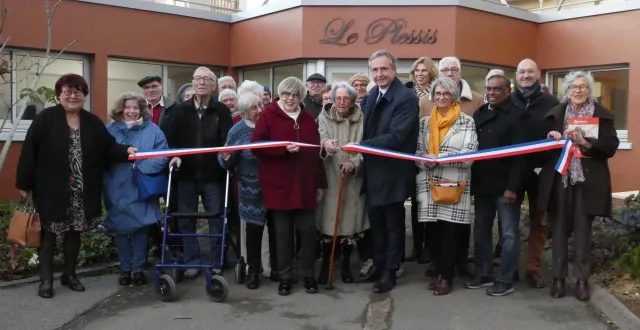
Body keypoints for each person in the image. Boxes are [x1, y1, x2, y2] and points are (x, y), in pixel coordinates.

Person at [16, 74, 136, 299]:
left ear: (84, 95)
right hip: (51, 189)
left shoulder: (92, 121)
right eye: (68, 91)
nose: (73, 96)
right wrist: (24, 183)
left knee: (74, 233)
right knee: (49, 235)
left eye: (78, 92)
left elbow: (108, 147)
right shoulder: (45, 118)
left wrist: (126, 150)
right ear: (59, 94)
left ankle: (69, 275)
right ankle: (46, 279)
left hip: (82, 189)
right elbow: (28, 152)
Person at [541, 71, 619, 302]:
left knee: (583, 234)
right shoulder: (555, 114)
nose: (578, 90)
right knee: (559, 232)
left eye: (583, 86)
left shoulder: (602, 116)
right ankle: (558, 278)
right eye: (573, 86)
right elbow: (542, 148)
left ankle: (582, 281)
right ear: (567, 90)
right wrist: (551, 139)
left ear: (589, 90)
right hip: (560, 181)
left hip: (587, 183)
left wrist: (585, 142)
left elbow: (611, 146)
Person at [250, 76, 327, 296]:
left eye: (295, 95)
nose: (290, 99)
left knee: (307, 233)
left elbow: (315, 154)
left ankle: (309, 275)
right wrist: (282, 150)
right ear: (280, 95)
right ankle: (285, 277)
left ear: (301, 97)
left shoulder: (308, 119)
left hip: (305, 185)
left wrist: (320, 183)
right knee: (283, 235)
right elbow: (256, 146)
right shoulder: (268, 115)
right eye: (286, 94)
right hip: (279, 185)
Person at [354, 50, 419, 293]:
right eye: (375, 70)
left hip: (393, 172)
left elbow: (397, 135)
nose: (379, 74)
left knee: (393, 224)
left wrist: (361, 146)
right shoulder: (372, 94)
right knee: (376, 224)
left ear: (394, 70)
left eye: (384, 69)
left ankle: (390, 270)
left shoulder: (405, 98)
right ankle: (379, 265)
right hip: (373, 170)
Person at [466, 70, 529, 297]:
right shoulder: (480, 113)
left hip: (506, 186)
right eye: (489, 89)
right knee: (481, 230)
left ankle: (506, 278)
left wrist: (512, 187)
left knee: (509, 234)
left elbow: (521, 156)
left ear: (507, 91)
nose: (492, 93)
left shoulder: (519, 115)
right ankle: (483, 273)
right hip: (483, 183)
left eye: (497, 89)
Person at [166, 67, 233, 279]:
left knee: (216, 217)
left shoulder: (221, 110)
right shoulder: (179, 110)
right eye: (197, 79)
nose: (201, 83)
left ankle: (216, 260)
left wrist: (226, 153)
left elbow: (227, 140)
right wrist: (173, 156)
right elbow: (171, 139)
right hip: (186, 173)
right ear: (192, 84)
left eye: (206, 79)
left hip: (213, 175)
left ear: (214, 85)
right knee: (186, 220)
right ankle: (192, 261)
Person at [415, 77, 478, 296]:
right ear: (432, 96)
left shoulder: (466, 121)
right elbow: (417, 154)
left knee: (450, 234)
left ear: (453, 96)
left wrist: (439, 157)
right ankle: (441, 270)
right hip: (429, 183)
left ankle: (447, 277)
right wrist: (425, 160)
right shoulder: (424, 123)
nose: (441, 97)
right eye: (437, 94)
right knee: (433, 233)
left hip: (454, 184)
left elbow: (469, 156)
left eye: (446, 94)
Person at [103, 92, 169, 286]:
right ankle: (125, 269)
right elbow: (102, 154)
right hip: (117, 185)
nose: (131, 111)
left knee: (141, 227)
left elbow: (162, 155)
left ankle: (139, 269)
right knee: (121, 228)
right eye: (128, 107)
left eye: (135, 107)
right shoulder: (110, 129)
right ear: (120, 109)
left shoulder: (153, 130)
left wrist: (142, 168)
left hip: (142, 185)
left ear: (142, 110)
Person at [508, 58, 560, 289]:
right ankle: (508, 266)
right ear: (516, 75)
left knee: (539, 221)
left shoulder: (552, 102)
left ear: (538, 74)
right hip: (512, 173)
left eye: (530, 72)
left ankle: (533, 268)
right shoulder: (507, 101)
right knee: (508, 223)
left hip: (542, 172)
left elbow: (561, 131)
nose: (526, 75)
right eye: (521, 72)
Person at [219, 93, 275, 290]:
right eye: (254, 108)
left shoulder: (271, 123)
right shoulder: (238, 130)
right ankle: (253, 271)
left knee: (276, 230)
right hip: (250, 188)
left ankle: (275, 268)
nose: (260, 110)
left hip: (274, 185)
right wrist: (225, 157)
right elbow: (225, 159)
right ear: (243, 114)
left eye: (260, 105)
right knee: (253, 232)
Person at [316, 81, 368, 285]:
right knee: (329, 224)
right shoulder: (324, 116)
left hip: (353, 178)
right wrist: (325, 144)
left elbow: (365, 146)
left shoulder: (362, 119)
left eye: (346, 98)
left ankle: (346, 265)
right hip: (331, 176)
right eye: (338, 98)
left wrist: (354, 162)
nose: (342, 102)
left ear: (353, 101)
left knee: (349, 224)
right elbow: (321, 136)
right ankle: (325, 266)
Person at [406, 56, 439, 266]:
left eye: (423, 71)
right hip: (412, 152)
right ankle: (417, 246)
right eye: (417, 71)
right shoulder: (407, 93)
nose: (419, 74)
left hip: (433, 150)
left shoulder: (437, 93)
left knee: (433, 200)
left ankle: (430, 246)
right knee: (417, 202)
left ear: (431, 73)